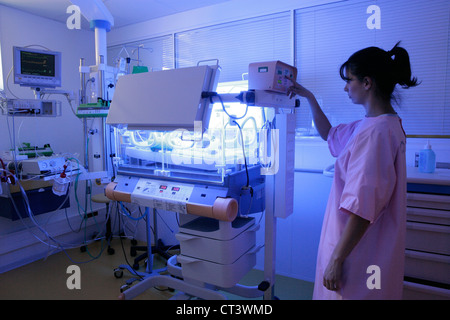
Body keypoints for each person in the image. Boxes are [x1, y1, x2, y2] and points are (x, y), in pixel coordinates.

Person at [287, 42, 419, 299]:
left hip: (357, 252)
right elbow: (330, 134)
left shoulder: (375, 134)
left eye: (350, 80)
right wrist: (309, 97)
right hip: (368, 246)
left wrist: (336, 259)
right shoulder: (380, 125)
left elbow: (362, 207)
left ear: (367, 82)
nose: (346, 87)